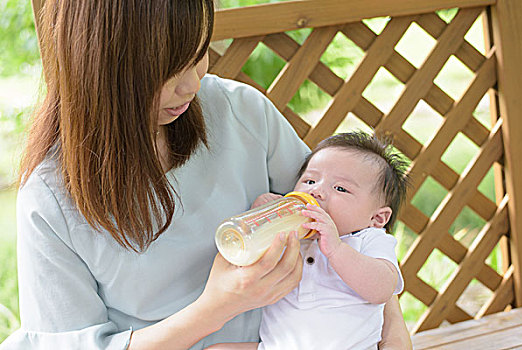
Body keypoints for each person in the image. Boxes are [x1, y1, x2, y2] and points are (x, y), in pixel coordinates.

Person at [1, 1, 411, 349]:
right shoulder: (52, 198)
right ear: (100, 71)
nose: (193, 83)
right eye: (167, 69)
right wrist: (215, 309)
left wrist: (389, 319)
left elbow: (347, 224)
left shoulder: (239, 111)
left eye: (199, 53)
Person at [208, 132, 409, 350]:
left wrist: (337, 249)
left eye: (340, 188)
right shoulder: (291, 235)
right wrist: (263, 219)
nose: (316, 191)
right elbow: (247, 263)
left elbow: (382, 289)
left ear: (377, 218)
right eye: (310, 180)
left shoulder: (370, 239)